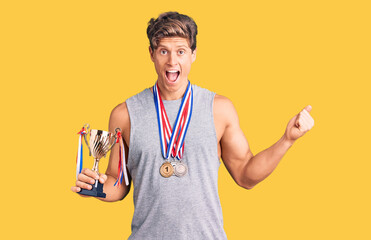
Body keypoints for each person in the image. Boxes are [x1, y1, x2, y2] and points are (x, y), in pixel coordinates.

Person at [71, 11, 315, 239]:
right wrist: (97, 187)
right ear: (151, 54)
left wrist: (287, 140)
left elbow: (245, 175)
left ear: (193, 54)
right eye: (163, 51)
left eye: (181, 51)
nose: (172, 61)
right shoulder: (124, 114)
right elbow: (119, 183)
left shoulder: (219, 109)